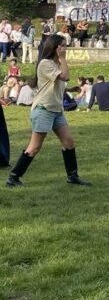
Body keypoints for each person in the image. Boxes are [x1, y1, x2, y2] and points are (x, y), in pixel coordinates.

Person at [6, 34, 90, 188]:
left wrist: (70, 88)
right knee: (35, 146)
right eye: (63, 45)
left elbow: (59, 83)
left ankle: (73, 176)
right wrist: (63, 59)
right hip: (43, 109)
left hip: (56, 110)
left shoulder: (55, 63)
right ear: (55, 47)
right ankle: (13, 177)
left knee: (69, 142)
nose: (65, 48)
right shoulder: (45, 63)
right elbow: (65, 77)